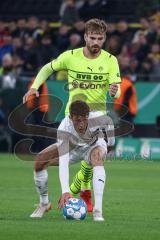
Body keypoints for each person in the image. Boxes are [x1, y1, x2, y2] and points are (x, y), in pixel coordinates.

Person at [23, 18, 121, 216]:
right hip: (73, 120)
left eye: (100, 38)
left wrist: (113, 92)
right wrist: (34, 87)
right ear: (85, 36)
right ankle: (44, 203)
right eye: (92, 37)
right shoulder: (71, 57)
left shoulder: (110, 60)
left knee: (97, 158)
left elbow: (116, 92)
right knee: (40, 162)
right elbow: (47, 68)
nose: (96, 42)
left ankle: (98, 212)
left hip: (95, 121)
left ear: (104, 39)